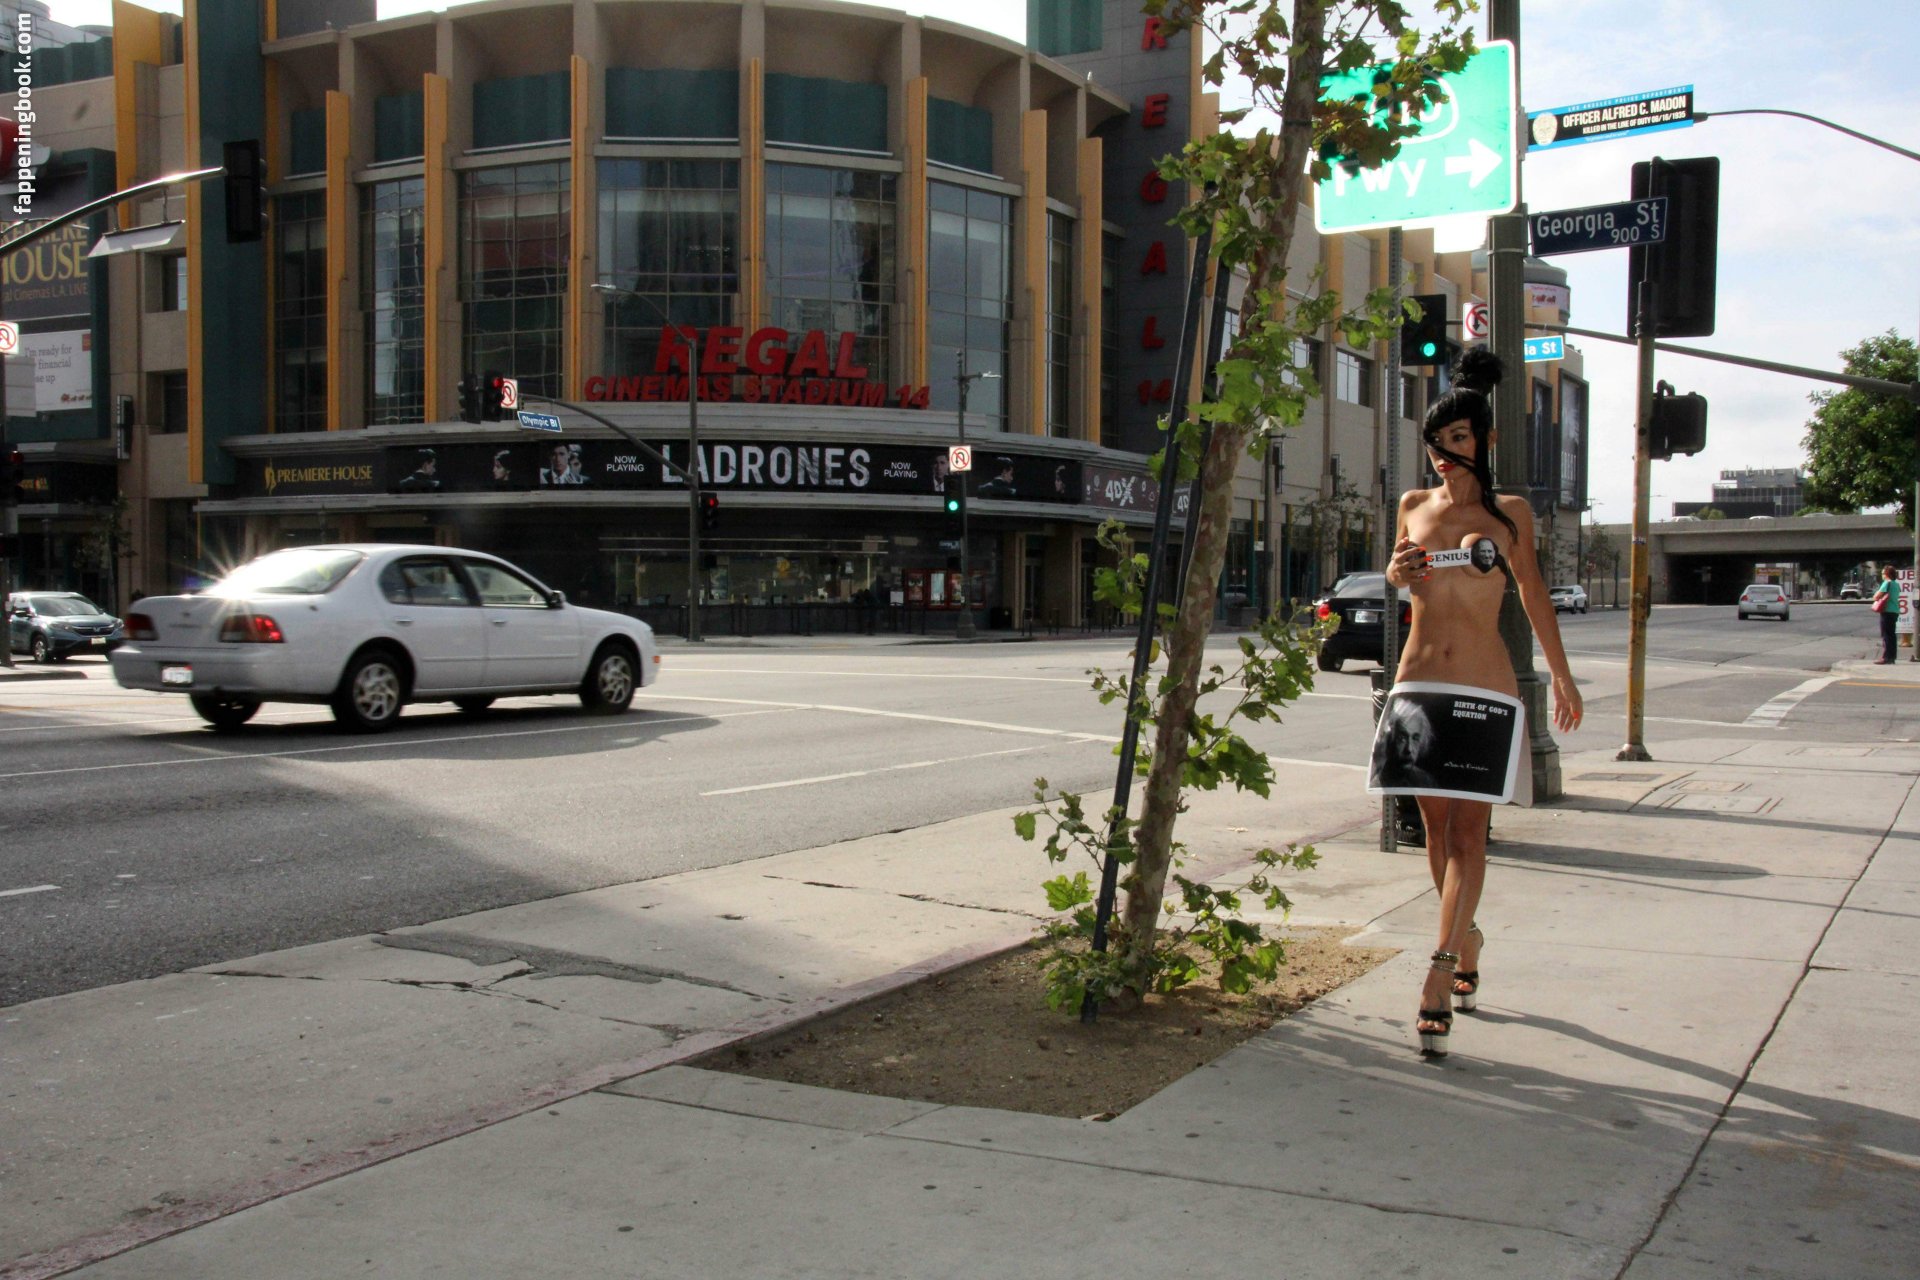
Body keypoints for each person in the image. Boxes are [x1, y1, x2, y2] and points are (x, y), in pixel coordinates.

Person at [1375, 347, 1582, 1060]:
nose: (1444, 456)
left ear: (1485, 441)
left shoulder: (1510, 514)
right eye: (1436, 443)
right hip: (1417, 685)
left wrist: (1561, 677)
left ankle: (1438, 972)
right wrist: (1396, 572)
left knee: (1469, 836)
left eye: (1458, 439)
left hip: (1484, 690)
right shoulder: (1412, 507)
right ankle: (1465, 941)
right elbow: (1401, 578)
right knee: (1435, 837)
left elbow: (1534, 596)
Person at [1873, 564, 1901, 663]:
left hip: (1887, 611)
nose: (1882, 575)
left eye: (1883, 573)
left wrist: (1876, 595)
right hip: (1895, 611)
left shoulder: (1886, 583)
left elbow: (1877, 597)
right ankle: (1892, 657)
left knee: (1886, 635)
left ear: (1887, 574)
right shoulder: (1896, 584)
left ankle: (1886, 657)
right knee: (1892, 635)